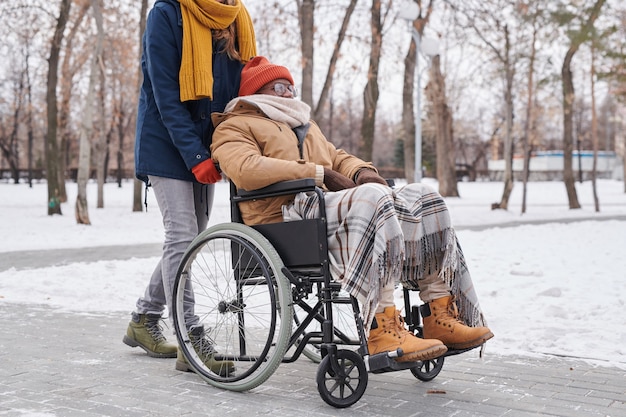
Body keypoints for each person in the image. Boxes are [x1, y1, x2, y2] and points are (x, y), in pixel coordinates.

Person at [210, 56, 494, 362]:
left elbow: (336, 157)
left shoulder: (305, 126)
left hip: (321, 212)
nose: (288, 93)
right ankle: (382, 327)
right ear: (255, 92)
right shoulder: (233, 126)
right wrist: (317, 174)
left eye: (291, 86)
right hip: (282, 219)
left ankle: (439, 313)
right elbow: (245, 169)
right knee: (370, 199)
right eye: (279, 86)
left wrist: (361, 172)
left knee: (425, 197)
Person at [123, 0, 256, 376]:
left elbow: (242, 87)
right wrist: (194, 154)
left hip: (207, 142)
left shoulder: (236, 17)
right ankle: (190, 336)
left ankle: (143, 318)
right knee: (182, 236)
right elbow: (165, 95)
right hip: (166, 141)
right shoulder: (166, 14)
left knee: (190, 238)